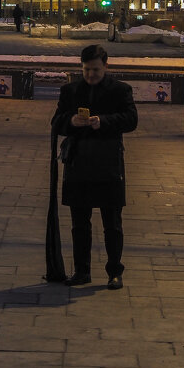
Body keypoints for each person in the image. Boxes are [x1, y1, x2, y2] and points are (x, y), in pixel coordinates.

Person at [51, 44, 138, 289]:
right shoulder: (70, 90)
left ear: (106, 67)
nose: (91, 75)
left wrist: (105, 122)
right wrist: (71, 121)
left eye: (96, 70)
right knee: (79, 223)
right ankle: (82, 271)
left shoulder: (120, 90)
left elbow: (132, 120)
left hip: (108, 164)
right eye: (87, 70)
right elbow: (56, 123)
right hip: (78, 164)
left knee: (112, 223)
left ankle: (114, 271)